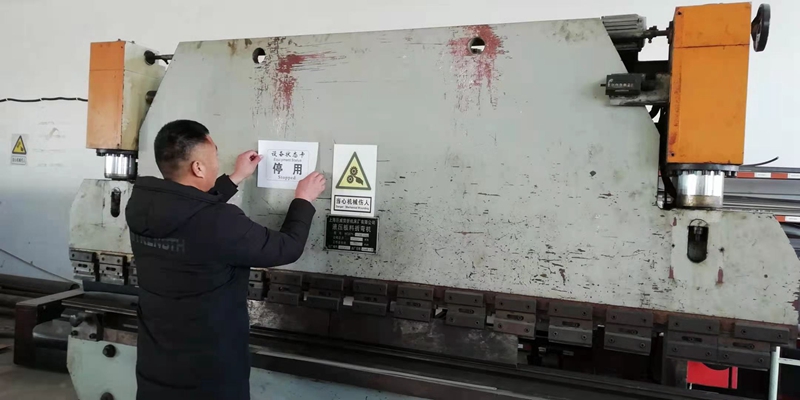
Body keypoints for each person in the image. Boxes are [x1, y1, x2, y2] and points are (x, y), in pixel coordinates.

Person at [125, 119, 326, 400]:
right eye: (215, 155)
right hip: (210, 375)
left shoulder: (140, 206)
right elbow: (286, 248)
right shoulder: (219, 221)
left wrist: (234, 178)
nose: (217, 162)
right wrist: (303, 200)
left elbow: (190, 211)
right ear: (198, 168)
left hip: (155, 366)